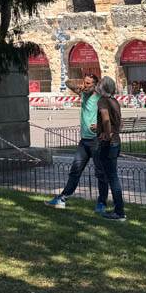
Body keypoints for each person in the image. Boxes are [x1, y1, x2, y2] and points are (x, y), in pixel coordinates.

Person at [46, 74, 101, 208]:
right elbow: (67, 83)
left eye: (88, 83)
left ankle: (102, 202)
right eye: (84, 82)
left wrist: (99, 126)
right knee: (75, 170)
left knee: (100, 173)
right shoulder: (83, 94)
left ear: (95, 85)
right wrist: (78, 86)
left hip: (96, 140)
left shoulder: (99, 98)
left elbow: (107, 116)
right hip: (84, 141)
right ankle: (63, 198)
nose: (85, 85)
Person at [92, 76, 126, 222]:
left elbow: (105, 119)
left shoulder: (103, 101)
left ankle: (119, 211)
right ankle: (118, 209)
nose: (97, 85)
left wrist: (106, 134)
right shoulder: (114, 101)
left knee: (112, 177)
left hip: (109, 143)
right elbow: (118, 122)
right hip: (116, 141)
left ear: (103, 87)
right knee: (113, 176)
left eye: (99, 83)